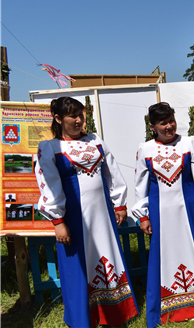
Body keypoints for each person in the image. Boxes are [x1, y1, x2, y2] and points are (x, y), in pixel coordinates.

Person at [34, 97, 138, 328]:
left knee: (107, 255)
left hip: (102, 213)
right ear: (58, 118)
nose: (79, 120)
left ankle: (114, 313)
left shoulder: (95, 141)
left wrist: (119, 203)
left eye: (81, 115)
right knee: (78, 266)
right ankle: (82, 319)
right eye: (73, 116)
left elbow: (112, 172)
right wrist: (58, 221)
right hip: (73, 217)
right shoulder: (50, 147)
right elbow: (48, 184)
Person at [132, 102, 194, 327]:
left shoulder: (189, 142)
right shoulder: (145, 149)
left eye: (171, 120)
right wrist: (143, 215)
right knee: (162, 254)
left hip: (189, 208)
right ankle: (166, 309)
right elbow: (140, 185)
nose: (169, 126)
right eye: (163, 123)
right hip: (159, 212)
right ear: (153, 126)